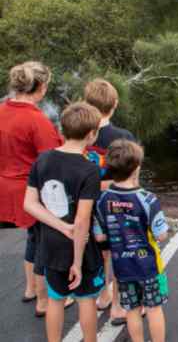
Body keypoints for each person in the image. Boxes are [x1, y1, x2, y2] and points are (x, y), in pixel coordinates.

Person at [24, 102, 104, 342]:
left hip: (49, 245)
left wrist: (59, 226)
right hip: (80, 248)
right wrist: (77, 263)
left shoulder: (43, 159)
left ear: (61, 131)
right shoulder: (88, 170)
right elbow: (81, 222)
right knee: (86, 299)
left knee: (55, 299)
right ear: (91, 134)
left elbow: (29, 203)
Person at [0, 62, 68, 316]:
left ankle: (30, 288)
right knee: (44, 245)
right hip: (32, 193)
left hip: (6, 187)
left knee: (32, 238)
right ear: (39, 87)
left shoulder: (2, 110)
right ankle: (43, 300)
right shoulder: (36, 121)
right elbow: (52, 161)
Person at [94, 140, 170, 342]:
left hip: (122, 268)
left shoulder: (102, 200)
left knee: (132, 310)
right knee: (154, 308)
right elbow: (161, 234)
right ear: (137, 167)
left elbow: (100, 236)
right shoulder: (148, 199)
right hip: (150, 267)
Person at [84, 78, 135, 324]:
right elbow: (133, 174)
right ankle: (117, 304)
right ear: (114, 104)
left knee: (102, 252)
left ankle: (103, 294)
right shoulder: (123, 136)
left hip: (90, 207)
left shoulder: (80, 134)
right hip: (117, 205)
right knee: (119, 252)